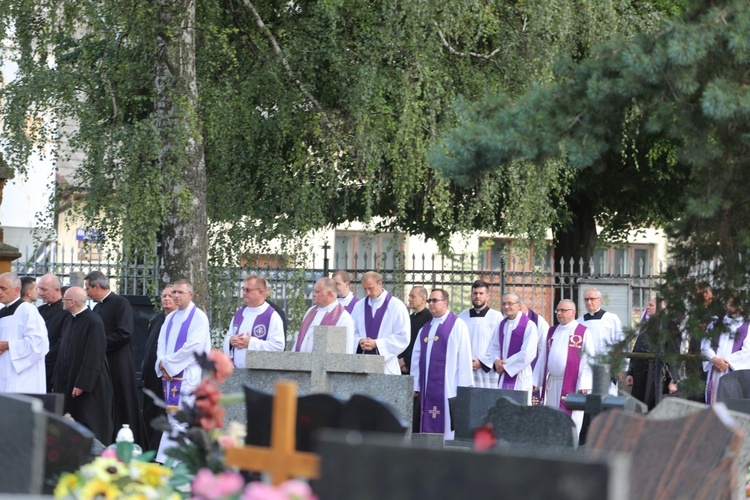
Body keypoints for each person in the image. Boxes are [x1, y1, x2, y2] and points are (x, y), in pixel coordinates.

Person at [85, 270, 145, 446]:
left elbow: (124, 333)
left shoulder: (120, 303)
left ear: (97, 286)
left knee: (122, 401)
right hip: (103, 362)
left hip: (118, 361)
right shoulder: (97, 307)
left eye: (88, 288)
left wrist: (99, 345)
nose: (86, 292)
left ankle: (128, 443)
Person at [155, 279, 211, 463]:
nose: (175, 296)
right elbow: (161, 342)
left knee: (183, 417)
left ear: (191, 295)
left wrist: (170, 365)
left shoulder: (199, 317)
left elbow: (193, 347)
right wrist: (162, 364)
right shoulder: (170, 317)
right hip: (170, 376)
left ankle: (175, 460)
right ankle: (168, 458)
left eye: (180, 292)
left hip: (187, 375)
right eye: (174, 293)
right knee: (172, 416)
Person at [53, 286, 113, 444]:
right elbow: (63, 349)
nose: (62, 303)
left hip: (87, 385)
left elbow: (95, 355)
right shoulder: (69, 319)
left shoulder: (93, 321)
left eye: (64, 300)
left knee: (88, 421)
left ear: (72, 302)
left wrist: (82, 383)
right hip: (69, 379)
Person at [411, 289, 473, 440]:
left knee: (447, 425)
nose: (430, 304)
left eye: (434, 300)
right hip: (426, 388)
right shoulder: (425, 328)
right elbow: (416, 357)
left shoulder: (458, 325)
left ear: (445, 302)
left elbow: (465, 356)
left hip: (449, 386)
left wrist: (464, 388)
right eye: (429, 301)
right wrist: (415, 385)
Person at [534, 299, 594, 436]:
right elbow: (543, 357)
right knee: (552, 416)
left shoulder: (582, 332)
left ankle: (569, 450)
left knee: (570, 420)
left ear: (573, 312)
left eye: (563, 310)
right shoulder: (552, 331)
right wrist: (536, 380)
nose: (559, 313)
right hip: (552, 383)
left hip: (572, 385)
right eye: (558, 310)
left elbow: (588, 358)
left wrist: (584, 383)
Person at [351, 271, 410, 375]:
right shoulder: (358, 306)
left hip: (386, 367)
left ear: (380, 284)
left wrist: (377, 344)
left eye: (370, 288)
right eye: (365, 289)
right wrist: (359, 342)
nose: (368, 292)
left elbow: (403, 336)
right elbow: (351, 333)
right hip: (362, 364)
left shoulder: (396, 306)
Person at [481, 292, 538, 400]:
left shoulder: (529, 325)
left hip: (521, 376)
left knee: (520, 411)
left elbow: (528, 353)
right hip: (503, 375)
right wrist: (496, 361)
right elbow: (494, 347)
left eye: (510, 303)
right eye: (504, 304)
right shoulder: (502, 324)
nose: (506, 307)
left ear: (519, 306)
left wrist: (506, 366)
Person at [626, 298, 679, 409]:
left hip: (656, 374)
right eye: (648, 305)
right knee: (638, 407)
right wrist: (630, 372)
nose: (647, 307)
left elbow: (674, 354)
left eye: (651, 305)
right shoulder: (645, 325)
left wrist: (674, 379)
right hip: (640, 374)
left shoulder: (670, 327)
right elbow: (637, 348)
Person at [0, 272, 49, 392]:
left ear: (16, 290)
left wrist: (8, 345)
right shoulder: (2, 312)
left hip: (23, 378)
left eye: (3, 289)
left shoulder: (28, 310)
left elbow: (39, 343)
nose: (0, 292)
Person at [141, 285, 176, 451]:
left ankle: (159, 450)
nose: (166, 299)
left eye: (170, 295)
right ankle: (148, 447)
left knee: (164, 412)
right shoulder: (157, 319)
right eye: (164, 296)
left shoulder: (179, 321)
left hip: (169, 375)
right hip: (151, 374)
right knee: (150, 411)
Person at [222, 275, 284, 367]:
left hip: (259, 374)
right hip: (236, 372)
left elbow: (278, 346)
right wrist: (231, 341)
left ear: (260, 292)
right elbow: (228, 338)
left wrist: (251, 343)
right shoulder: (239, 314)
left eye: (248, 290)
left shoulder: (272, 316)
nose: (244, 293)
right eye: (243, 289)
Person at [701, 299, 750, 404]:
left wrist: (724, 363)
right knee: (712, 404)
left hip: (734, 372)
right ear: (725, 304)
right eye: (730, 301)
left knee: (733, 405)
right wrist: (714, 359)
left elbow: (747, 351)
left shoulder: (747, 326)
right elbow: (705, 345)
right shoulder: (715, 323)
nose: (733, 305)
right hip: (714, 369)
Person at [577, 288, 625, 395]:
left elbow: (621, 343)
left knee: (608, 401)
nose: (589, 302)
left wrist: (620, 366)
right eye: (586, 299)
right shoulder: (579, 322)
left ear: (600, 300)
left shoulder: (611, 318)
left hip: (606, 366)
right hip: (586, 368)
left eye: (592, 299)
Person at [459, 281, 503, 388]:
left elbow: (497, 343)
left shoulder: (496, 317)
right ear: (471, 295)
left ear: (487, 296)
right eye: (475, 293)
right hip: (466, 368)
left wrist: (482, 363)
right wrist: (467, 361)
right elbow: (458, 343)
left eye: (481, 293)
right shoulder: (461, 317)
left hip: (488, 371)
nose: (477, 296)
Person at [293, 278, 354, 353]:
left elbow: (347, 351)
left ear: (329, 294)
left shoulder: (344, 318)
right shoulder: (310, 311)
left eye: (317, 292)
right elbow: (299, 339)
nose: (313, 294)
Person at [37, 273, 70, 392]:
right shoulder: (39, 310)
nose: (40, 293)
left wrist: (45, 357)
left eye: (44, 289)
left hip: (55, 366)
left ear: (57, 290)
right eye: (39, 288)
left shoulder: (66, 311)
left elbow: (64, 341)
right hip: (38, 364)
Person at [399, 286, 431, 375]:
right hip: (402, 367)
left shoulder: (429, 319)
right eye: (409, 296)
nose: (409, 299)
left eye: (413, 296)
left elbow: (423, 345)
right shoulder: (409, 318)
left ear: (423, 300)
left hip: (417, 367)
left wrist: (405, 361)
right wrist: (400, 360)